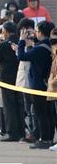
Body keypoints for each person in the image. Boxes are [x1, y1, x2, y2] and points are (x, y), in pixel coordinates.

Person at [17, 20, 55, 149]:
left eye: (37, 31)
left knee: (41, 114)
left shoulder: (39, 49)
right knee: (49, 113)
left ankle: (44, 139)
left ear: (41, 33)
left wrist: (22, 41)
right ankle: (49, 139)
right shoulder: (50, 45)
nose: (35, 33)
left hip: (38, 85)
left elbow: (21, 56)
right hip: (48, 84)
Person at [0, 21, 24, 141]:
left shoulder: (3, 45)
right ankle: (21, 132)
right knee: (19, 105)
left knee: (9, 107)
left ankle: (12, 133)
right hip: (19, 78)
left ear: (6, 32)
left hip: (6, 79)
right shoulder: (20, 42)